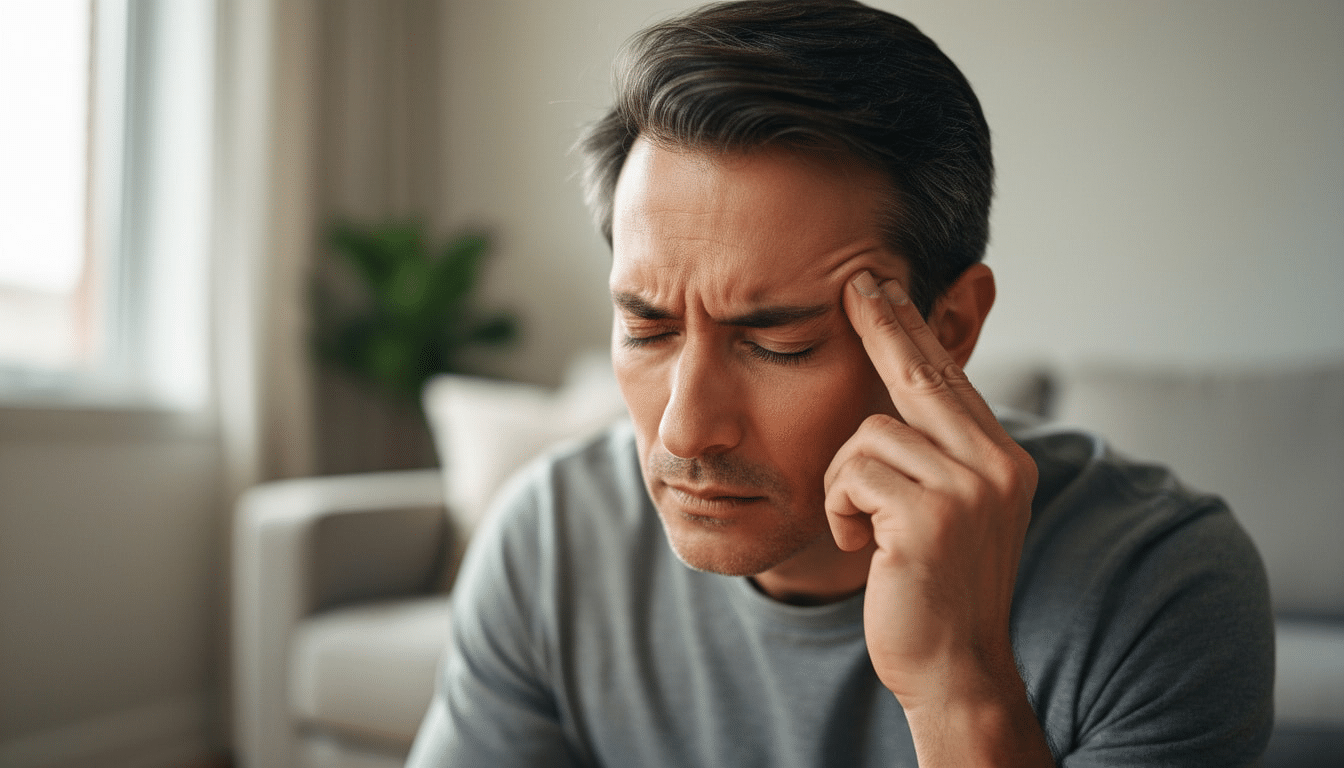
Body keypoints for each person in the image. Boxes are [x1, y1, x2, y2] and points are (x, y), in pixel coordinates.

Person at [406, 1, 1274, 765]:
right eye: (648, 328)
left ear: (949, 328)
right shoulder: (551, 540)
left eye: (778, 341)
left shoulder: (1158, 586)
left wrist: (958, 686)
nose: (684, 430)